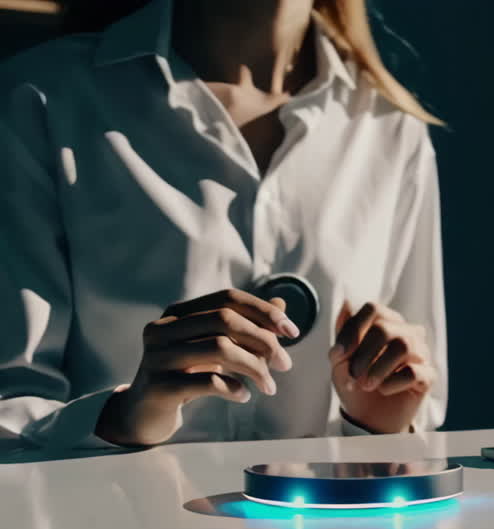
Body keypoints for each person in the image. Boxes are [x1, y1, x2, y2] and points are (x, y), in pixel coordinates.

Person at [0, 0, 447, 449]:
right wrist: (123, 417)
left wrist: (377, 427)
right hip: (115, 514)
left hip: (323, 516)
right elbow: (10, 407)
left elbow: (416, 414)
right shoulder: (42, 99)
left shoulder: (390, 128)